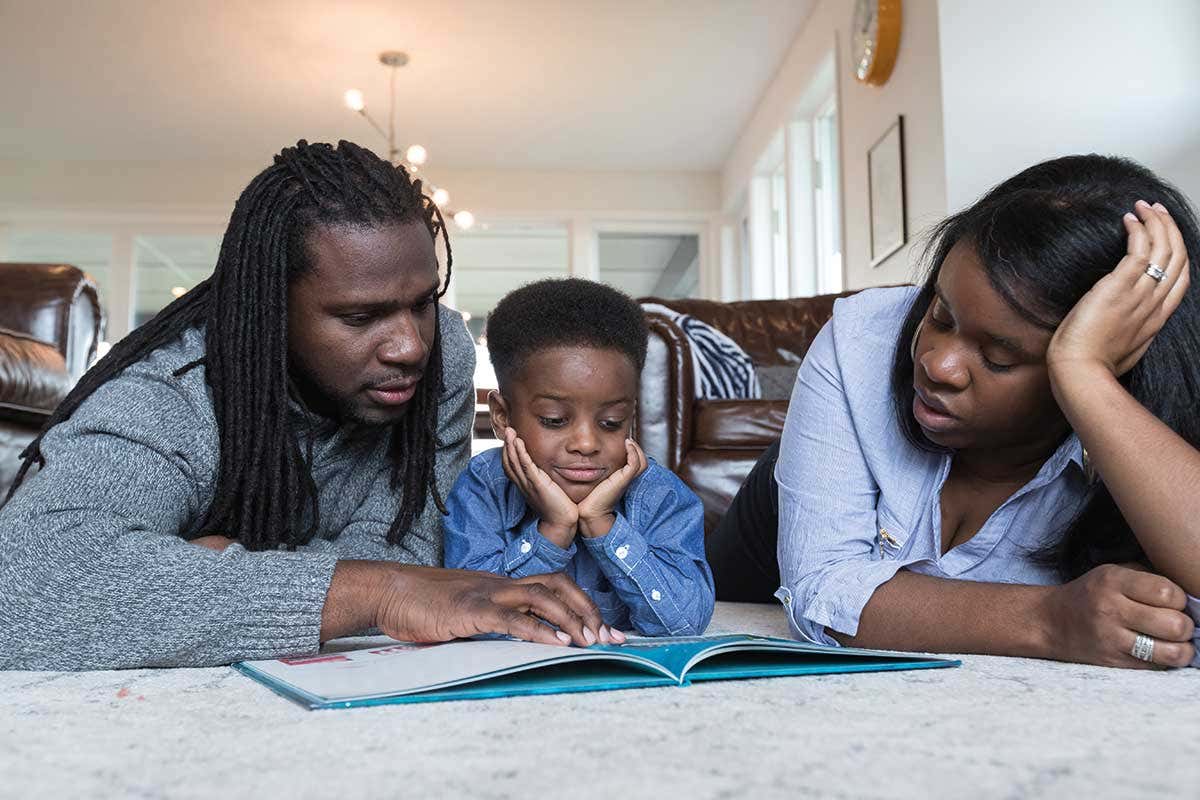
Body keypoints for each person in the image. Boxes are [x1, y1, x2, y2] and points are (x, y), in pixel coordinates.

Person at [0, 141, 607, 671]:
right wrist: (381, 593)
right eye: (360, 317)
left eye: (423, 301)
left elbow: (412, 548)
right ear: (273, 312)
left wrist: (213, 569)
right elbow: (25, 584)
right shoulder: (171, 392)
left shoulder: (442, 354)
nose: (410, 345)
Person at [708, 154, 1200, 669]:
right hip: (754, 568)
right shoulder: (863, 338)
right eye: (941, 315)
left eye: (1000, 357)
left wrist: (1084, 376)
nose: (938, 365)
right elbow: (823, 591)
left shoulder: (1136, 415)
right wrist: (1049, 619)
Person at [444, 278, 714, 636]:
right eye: (554, 420)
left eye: (611, 422)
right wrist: (554, 531)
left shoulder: (659, 495)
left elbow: (685, 622)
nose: (586, 443)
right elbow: (471, 618)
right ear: (502, 417)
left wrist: (603, 524)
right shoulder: (482, 489)